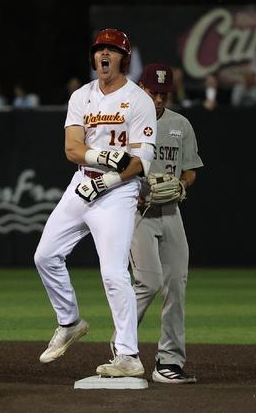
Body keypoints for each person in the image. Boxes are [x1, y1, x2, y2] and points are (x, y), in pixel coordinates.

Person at [34, 28, 157, 378]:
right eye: (99, 49)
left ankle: (129, 355)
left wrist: (110, 178)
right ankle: (70, 321)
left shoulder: (139, 100)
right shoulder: (81, 96)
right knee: (45, 255)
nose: (103, 55)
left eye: (111, 50)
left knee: (113, 272)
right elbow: (72, 149)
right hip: (82, 182)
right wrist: (104, 157)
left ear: (124, 59)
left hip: (119, 191)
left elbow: (140, 162)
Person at [130, 63, 203, 384]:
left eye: (163, 93)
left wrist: (183, 185)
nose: (158, 99)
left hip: (171, 212)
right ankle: (122, 351)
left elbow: (190, 169)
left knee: (176, 284)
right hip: (138, 213)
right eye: (153, 92)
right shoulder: (127, 122)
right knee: (146, 283)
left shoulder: (180, 124)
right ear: (141, 89)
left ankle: (168, 360)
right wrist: (136, 190)